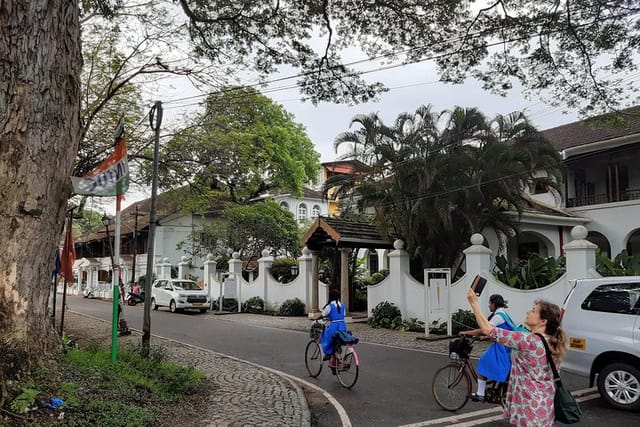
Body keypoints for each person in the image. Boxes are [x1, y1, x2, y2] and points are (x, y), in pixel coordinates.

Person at [466, 288, 566, 427]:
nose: (528, 312)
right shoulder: (553, 341)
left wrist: (474, 303)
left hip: (529, 408)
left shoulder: (527, 340)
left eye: (533, 310)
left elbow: (488, 330)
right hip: (545, 405)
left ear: (543, 321)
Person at [460, 294, 515, 402]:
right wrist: (485, 336)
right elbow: (493, 331)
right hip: (506, 346)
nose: (489, 306)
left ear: (494, 304)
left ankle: (480, 393)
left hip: (502, 348)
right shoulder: (503, 314)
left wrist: (466, 333)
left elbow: (484, 329)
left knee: (483, 361)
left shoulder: (498, 316)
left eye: (490, 304)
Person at [320, 289, 347, 360]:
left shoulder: (329, 306)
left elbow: (323, 314)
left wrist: (315, 319)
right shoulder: (343, 305)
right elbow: (343, 315)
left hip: (334, 326)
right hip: (342, 326)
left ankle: (328, 353)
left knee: (326, 336)